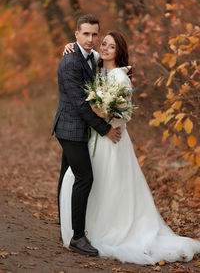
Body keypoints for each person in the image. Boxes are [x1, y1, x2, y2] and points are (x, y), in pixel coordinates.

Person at [60, 31, 200, 264]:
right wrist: (69, 45)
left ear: (119, 52)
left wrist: (96, 112)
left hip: (111, 140)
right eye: (103, 44)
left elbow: (122, 115)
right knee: (87, 181)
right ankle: (83, 230)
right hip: (94, 136)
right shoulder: (96, 64)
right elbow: (83, 50)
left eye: (111, 47)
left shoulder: (119, 77)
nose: (104, 48)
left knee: (109, 186)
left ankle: (108, 229)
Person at [52, 15, 122, 257]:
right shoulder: (71, 62)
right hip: (70, 129)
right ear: (76, 35)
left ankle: (65, 224)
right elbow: (81, 106)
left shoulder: (91, 56)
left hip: (80, 128)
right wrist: (105, 130)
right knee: (85, 178)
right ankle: (77, 237)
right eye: (86, 34)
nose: (91, 39)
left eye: (95, 34)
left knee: (67, 175)